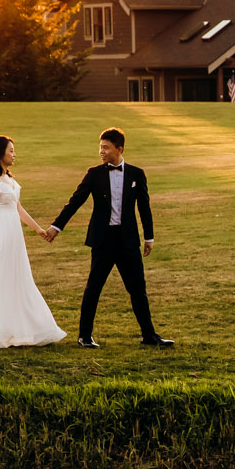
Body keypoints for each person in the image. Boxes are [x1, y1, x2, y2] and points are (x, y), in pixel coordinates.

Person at [45, 128, 173, 349]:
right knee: (94, 287)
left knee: (137, 289)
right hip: (103, 240)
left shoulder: (136, 174)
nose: (101, 151)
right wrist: (57, 226)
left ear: (119, 149)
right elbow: (75, 201)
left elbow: (144, 207)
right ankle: (84, 336)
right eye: (100, 147)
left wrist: (149, 237)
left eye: (106, 147)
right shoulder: (94, 174)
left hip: (128, 241)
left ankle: (149, 335)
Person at [0, 136, 66, 349]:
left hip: (14, 233)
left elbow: (18, 208)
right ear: (0, 153)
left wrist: (38, 229)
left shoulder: (10, 180)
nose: (14, 155)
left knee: (18, 277)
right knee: (0, 278)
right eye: (11, 151)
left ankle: (22, 326)